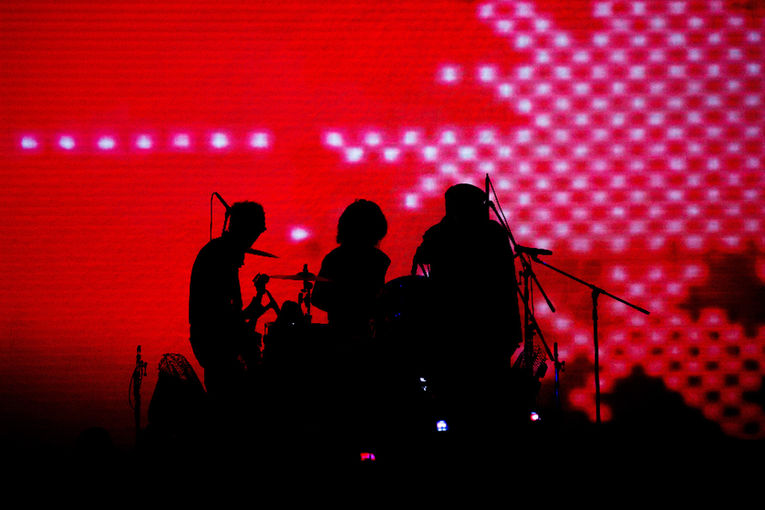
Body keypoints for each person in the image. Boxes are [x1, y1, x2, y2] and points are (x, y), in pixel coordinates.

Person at [413, 183, 524, 454]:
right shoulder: (492, 233)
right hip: (488, 331)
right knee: (488, 401)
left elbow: (424, 255)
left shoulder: (451, 234)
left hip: (460, 332)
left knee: (459, 400)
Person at [311, 199, 391, 464]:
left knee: (342, 403)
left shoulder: (335, 258)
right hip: (368, 339)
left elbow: (318, 297)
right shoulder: (378, 260)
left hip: (340, 338)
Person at [188, 200, 268, 446]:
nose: (255, 240)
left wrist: (247, 314)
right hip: (216, 345)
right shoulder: (220, 259)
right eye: (255, 233)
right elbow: (219, 315)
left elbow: (224, 312)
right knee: (228, 411)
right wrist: (245, 327)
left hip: (212, 341)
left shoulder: (220, 254)